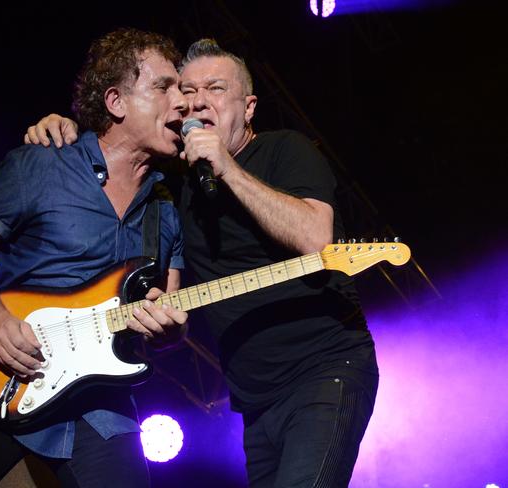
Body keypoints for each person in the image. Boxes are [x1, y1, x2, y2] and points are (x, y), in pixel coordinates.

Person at [26, 39, 379, 488]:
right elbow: (119, 146)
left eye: (215, 88)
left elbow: (315, 239)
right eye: (187, 90)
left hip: (326, 371)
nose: (196, 101)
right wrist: (65, 128)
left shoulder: (285, 150)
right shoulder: (177, 182)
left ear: (248, 107)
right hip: (254, 399)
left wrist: (227, 167)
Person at [0, 28, 190, 488]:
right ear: (116, 102)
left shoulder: (166, 213)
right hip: (5, 380)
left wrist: (170, 329)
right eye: (163, 87)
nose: (182, 102)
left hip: (101, 409)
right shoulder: (43, 163)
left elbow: (170, 321)